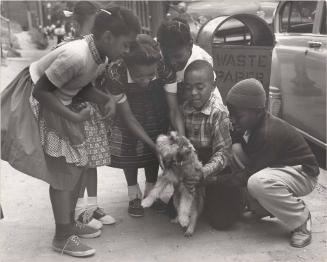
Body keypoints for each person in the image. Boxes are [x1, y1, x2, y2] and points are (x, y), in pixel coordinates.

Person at [1, 6, 140, 257]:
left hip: (58, 102)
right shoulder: (76, 55)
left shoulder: (101, 55)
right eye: (126, 45)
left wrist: (103, 98)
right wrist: (74, 116)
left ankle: (69, 223)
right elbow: (41, 92)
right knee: (65, 171)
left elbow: (79, 85)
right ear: (108, 37)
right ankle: (62, 236)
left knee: (77, 166)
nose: (127, 52)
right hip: (38, 102)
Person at [226, 78, 319, 248]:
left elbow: (250, 173)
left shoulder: (267, 133)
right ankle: (262, 209)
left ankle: (301, 220)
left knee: (256, 181)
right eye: (231, 115)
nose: (233, 120)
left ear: (258, 111)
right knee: (235, 151)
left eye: (238, 116)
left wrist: (214, 181)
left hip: (304, 174)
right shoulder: (251, 125)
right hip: (279, 168)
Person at [101, 34, 185, 217]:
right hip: (129, 110)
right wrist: (153, 146)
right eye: (140, 76)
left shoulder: (164, 68)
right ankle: (133, 195)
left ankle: (150, 193)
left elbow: (173, 110)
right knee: (129, 146)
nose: (146, 81)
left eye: (151, 75)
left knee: (157, 139)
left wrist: (182, 140)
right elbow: (129, 118)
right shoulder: (116, 73)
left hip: (156, 106)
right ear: (129, 66)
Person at [168, 60, 243, 230]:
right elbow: (172, 143)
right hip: (192, 169)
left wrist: (203, 174)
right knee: (172, 213)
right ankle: (199, 199)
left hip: (213, 172)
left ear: (213, 85)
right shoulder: (182, 110)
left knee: (222, 222)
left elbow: (223, 153)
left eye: (200, 87)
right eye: (188, 88)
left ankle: (237, 197)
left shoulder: (218, 113)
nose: (193, 93)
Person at [63, 1, 117, 231]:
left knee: (92, 161)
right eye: (92, 24)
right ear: (76, 23)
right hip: (75, 110)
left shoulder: (98, 48)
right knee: (81, 162)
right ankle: (79, 211)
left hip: (92, 109)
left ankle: (92, 206)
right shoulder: (72, 47)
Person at [156, 17, 222, 105]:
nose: (172, 62)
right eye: (167, 56)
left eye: (177, 56)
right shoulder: (156, 54)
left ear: (190, 45)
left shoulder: (201, 63)